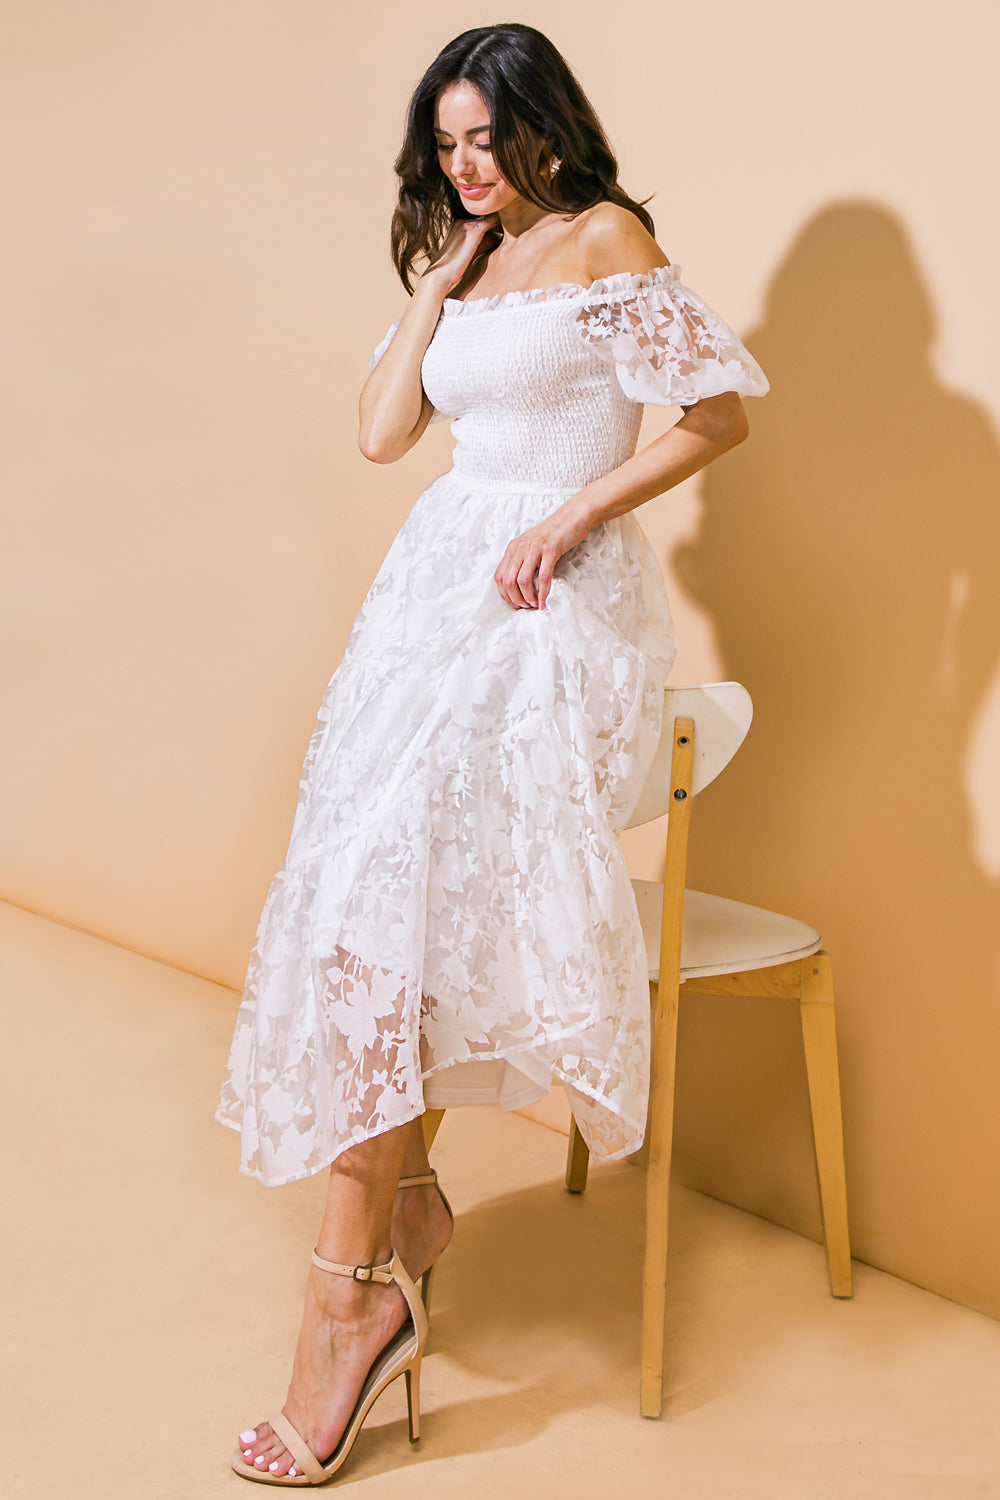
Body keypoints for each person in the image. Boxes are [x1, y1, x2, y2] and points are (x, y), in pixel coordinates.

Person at [217, 20, 769, 1487]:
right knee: (359, 911)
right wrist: (438, 283)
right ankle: (400, 1217)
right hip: (430, 597)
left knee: (391, 912)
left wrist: (573, 514)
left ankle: (349, 1308)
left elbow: (715, 414)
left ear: (545, 124)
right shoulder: (470, 256)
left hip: (548, 601)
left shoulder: (604, 237)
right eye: (447, 143)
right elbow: (381, 434)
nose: (467, 165)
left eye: (488, 138)